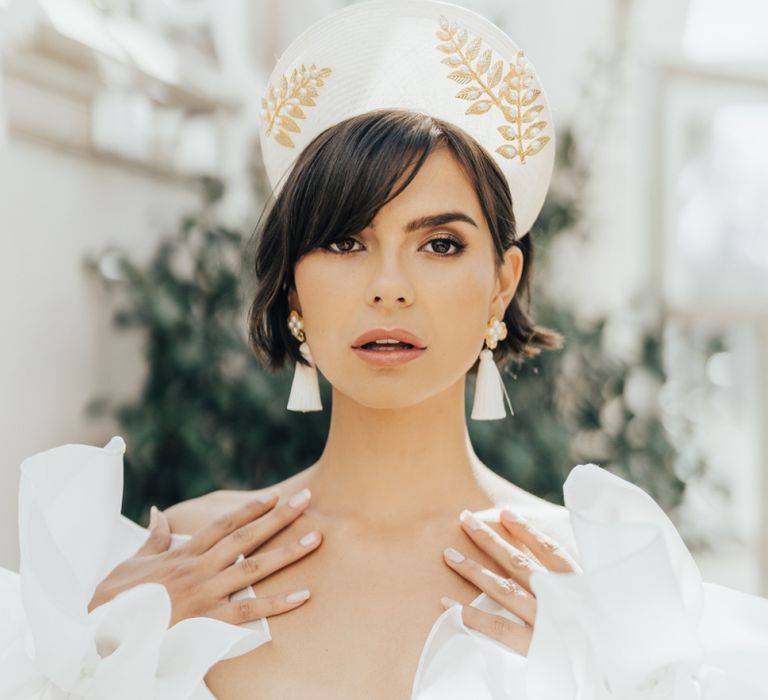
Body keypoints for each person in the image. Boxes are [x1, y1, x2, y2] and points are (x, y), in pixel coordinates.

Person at [2, 2, 768, 699]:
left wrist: (614, 679)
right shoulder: (191, 557)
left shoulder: (592, 583)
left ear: (503, 283)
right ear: (294, 286)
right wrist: (93, 651)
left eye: (439, 243)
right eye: (344, 240)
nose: (390, 286)